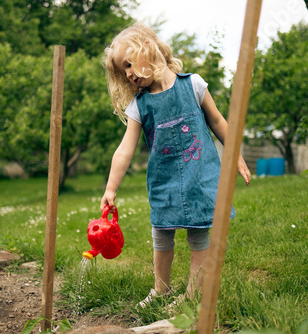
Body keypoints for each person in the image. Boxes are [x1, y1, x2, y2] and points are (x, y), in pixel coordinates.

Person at [100, 23, 251, 309]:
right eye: (123, 71)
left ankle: (193, 296)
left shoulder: (193, 84)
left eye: (129, 64)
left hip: (200, 177)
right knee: (161, 233)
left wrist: (236, 155)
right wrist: (111, 188)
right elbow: (125, 149)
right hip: (164, 179)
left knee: (199, 233)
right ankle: (161, 290)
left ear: (147, 49)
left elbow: (218, 122)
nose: (129, 74)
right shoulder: (139, 105)